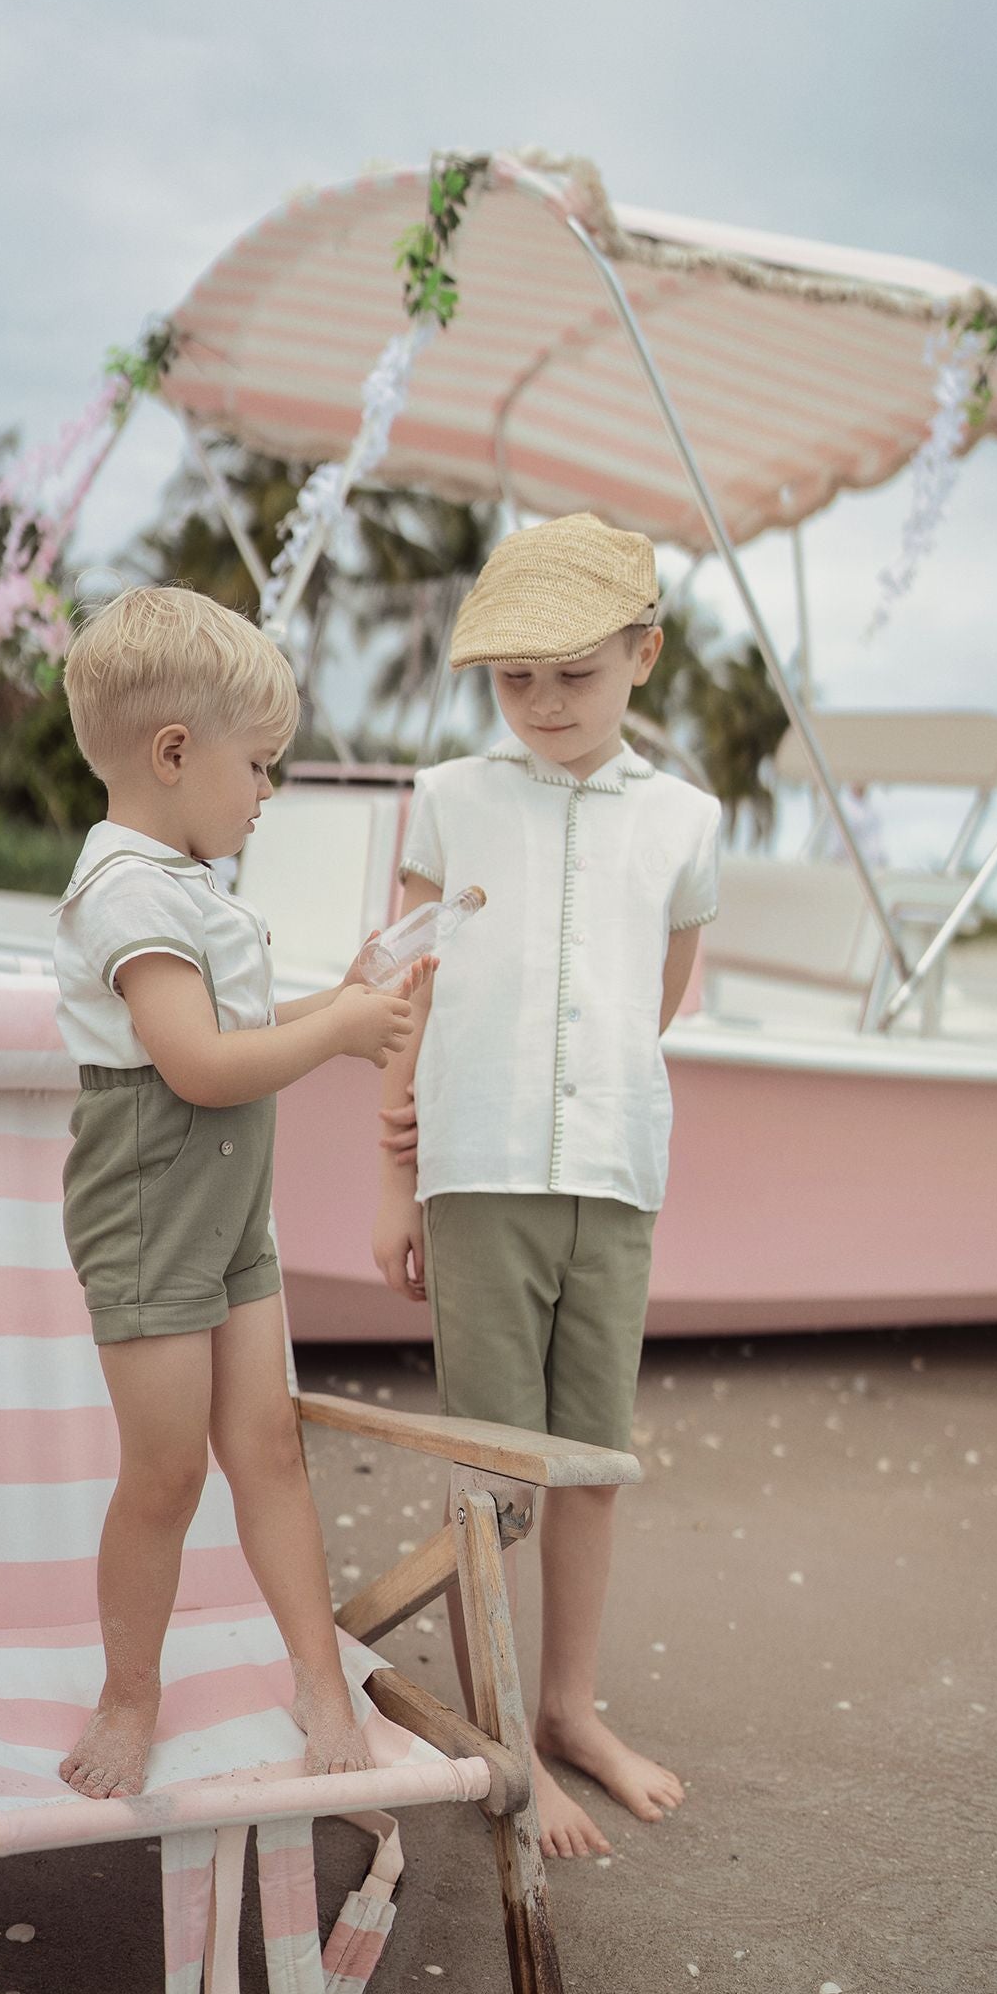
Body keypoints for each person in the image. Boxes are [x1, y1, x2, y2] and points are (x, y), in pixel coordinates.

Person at [372, 514, 721, 1859]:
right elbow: (407, 996)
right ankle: (500, 1730)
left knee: (592, 1466)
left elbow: (656, 999)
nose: (543, 705)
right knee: (487, 1469)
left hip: (616, 1176)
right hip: (476, 1175)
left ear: (642, 652)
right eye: (514, 679)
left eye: (573, 673)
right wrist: (397, 1180)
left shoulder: (687, 822)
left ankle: (568, 1707)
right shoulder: (450, 798)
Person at [54, 585, 427, 1800]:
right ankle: (129, 1690)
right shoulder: (127, 892)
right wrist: (338, 1039)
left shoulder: (191, 882)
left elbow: (247, 1021)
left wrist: (345, 996)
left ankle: (319, 1674)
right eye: (258, 766)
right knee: (165, 1474)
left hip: (226, 1216)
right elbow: (201, 1063)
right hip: (155, 1215)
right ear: (174, 753)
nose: (268, 793)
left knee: (267, 1444)